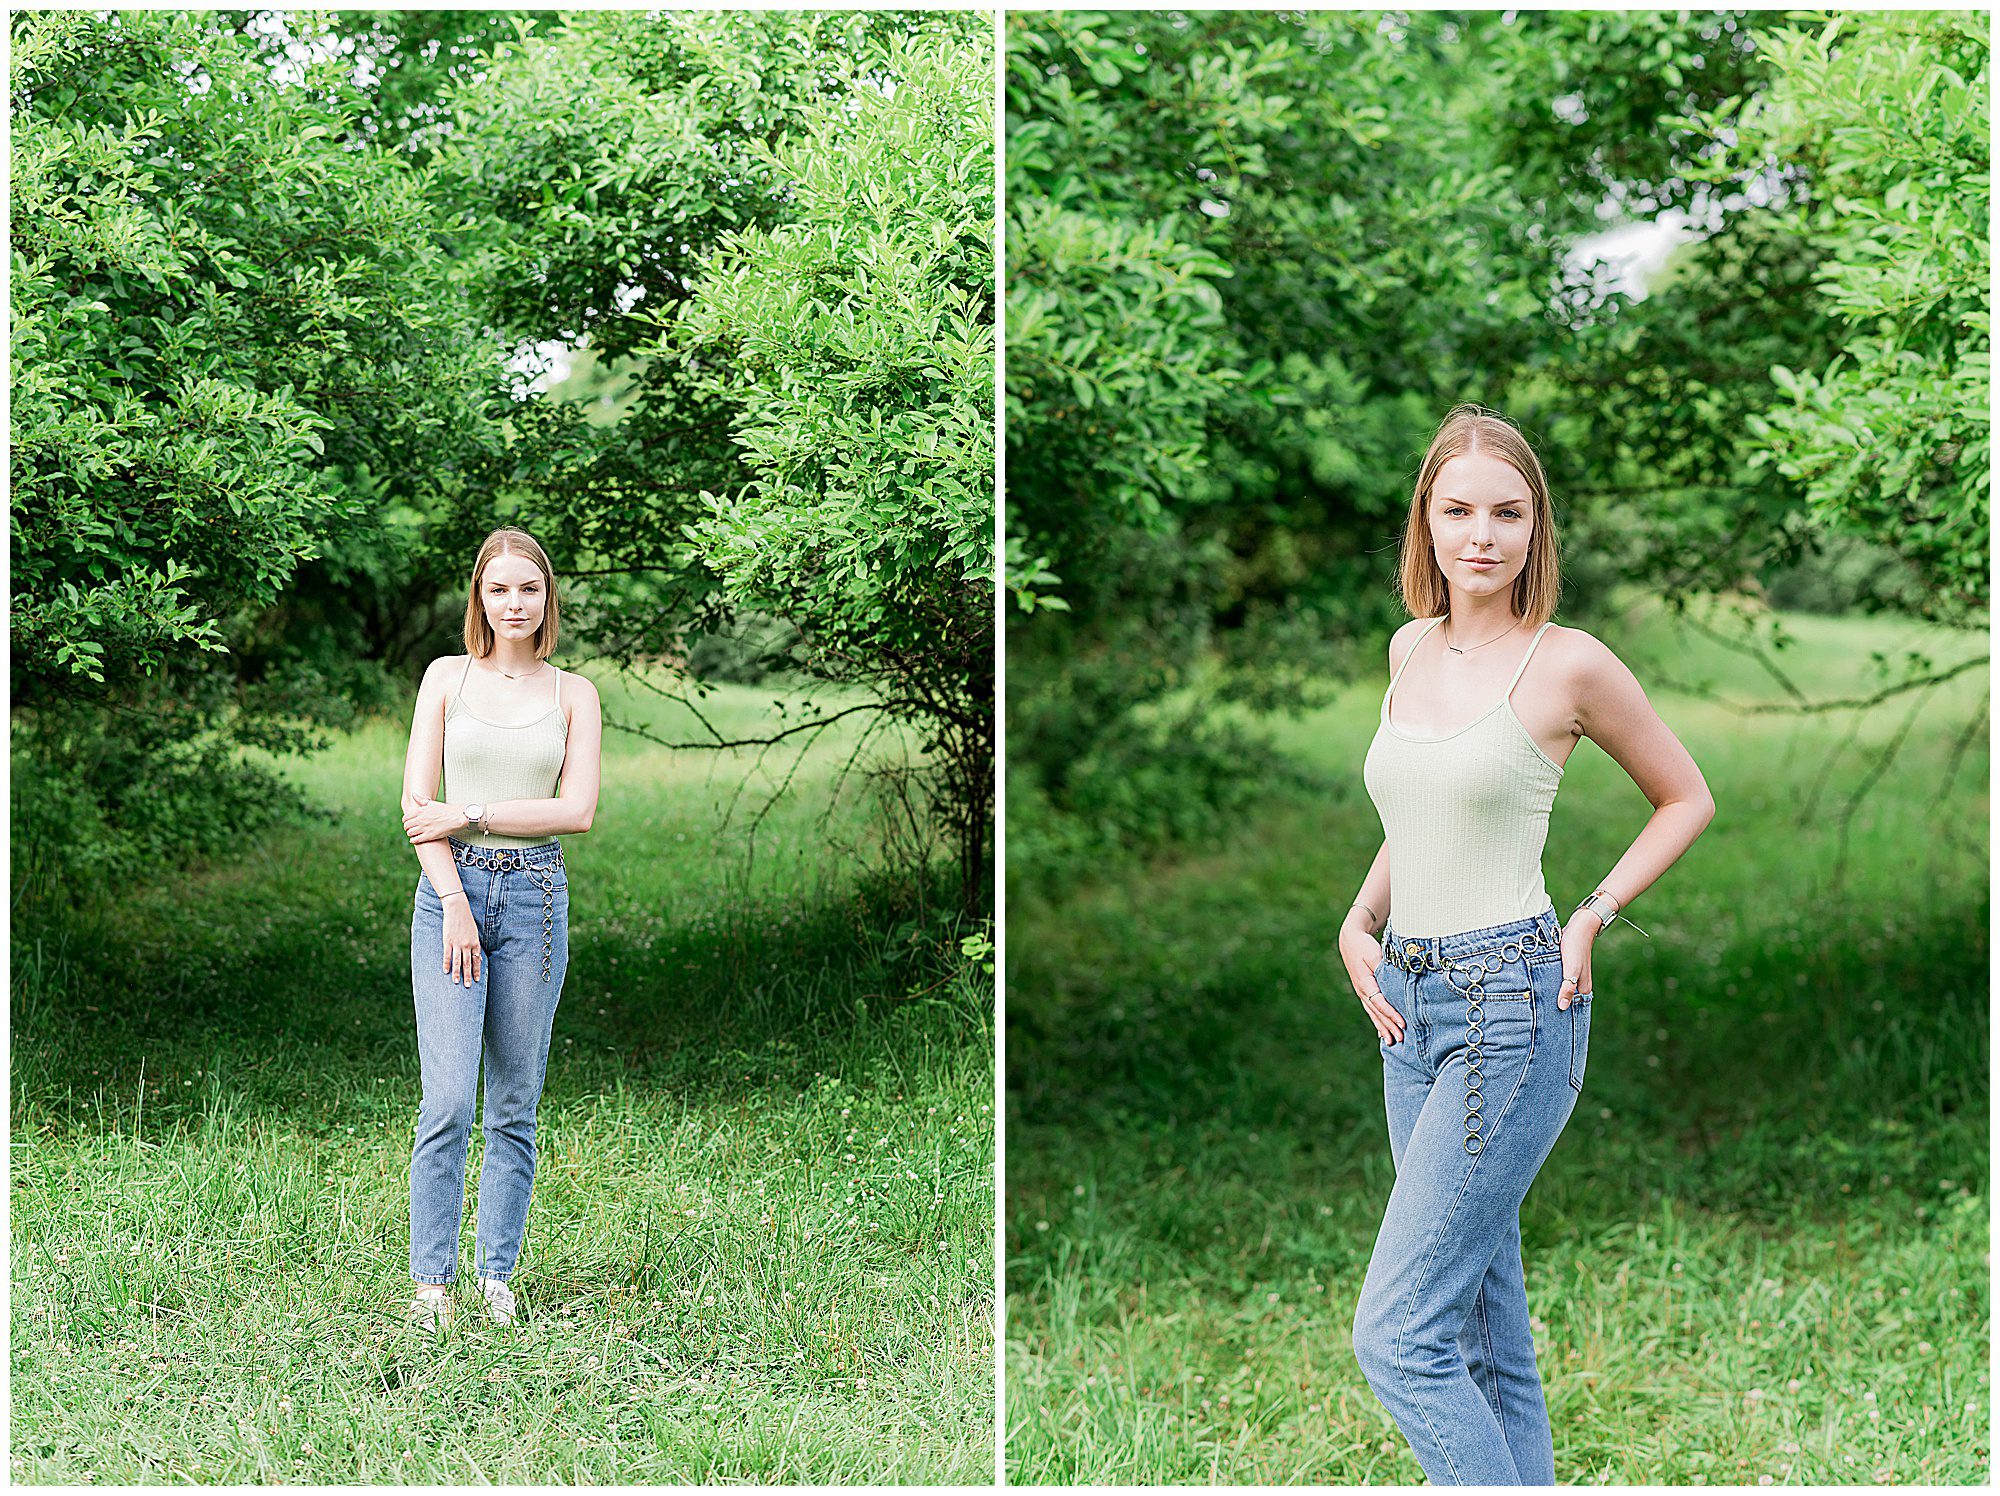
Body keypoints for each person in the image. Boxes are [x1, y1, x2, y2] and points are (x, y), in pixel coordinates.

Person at [1341, 405, 1714, 1483]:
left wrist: (1592, 909)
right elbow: (1418, 812)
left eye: (1506, 512)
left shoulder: (1568, 664)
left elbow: (1683, 796)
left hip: (1509, 1001)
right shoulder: (1407, 647)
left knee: (1398, 1336)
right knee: (1476, 1327)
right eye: (1456, 509)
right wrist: (1358, 919)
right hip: (1406, 1007)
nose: (1480, 535)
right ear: (1426, 519)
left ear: (1534, 526)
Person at [398, 526, 602, 1331]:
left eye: (528, 589)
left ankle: (496, 1278)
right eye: (497, 588)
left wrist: (473, 811)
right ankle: (432, 1287)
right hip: (451, 892)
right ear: (478, 598)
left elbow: (575, 810)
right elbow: (419, 811)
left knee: (514, 1101)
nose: (513, 603)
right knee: (448, 1099)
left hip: (536, 896)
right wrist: (451, 900)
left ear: (547, 598)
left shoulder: (573, 694)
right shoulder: (445, 680)